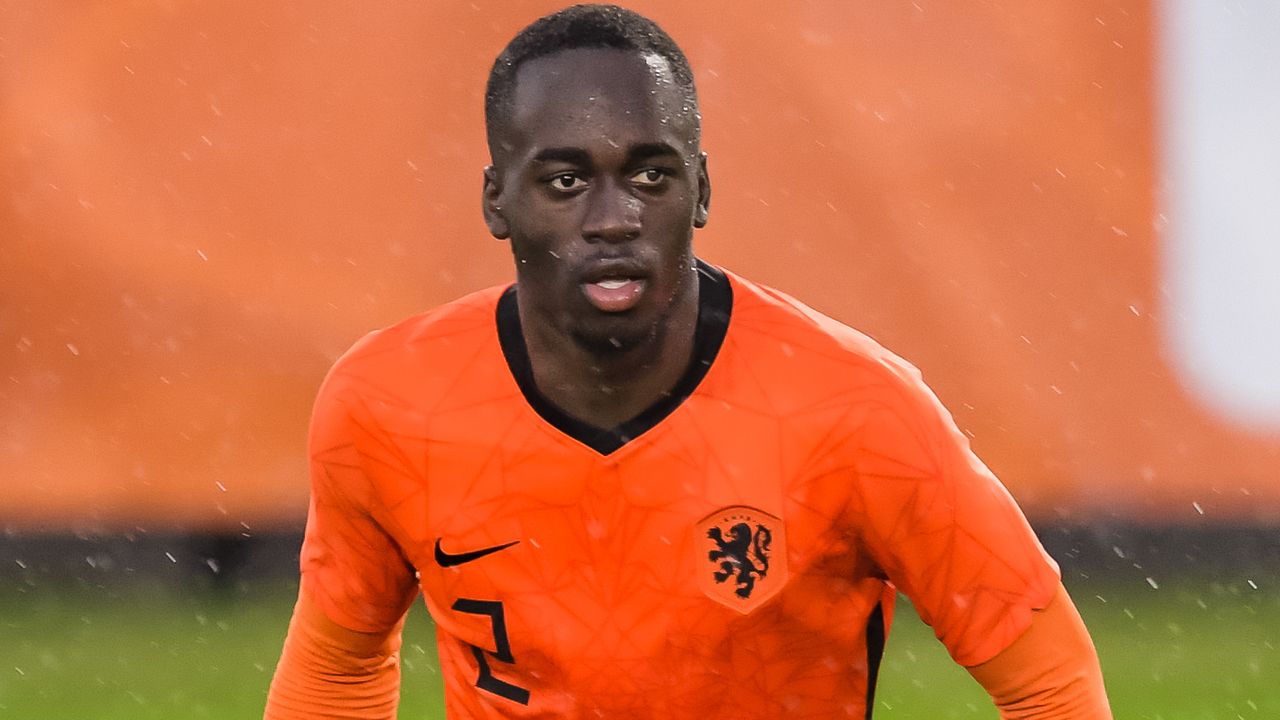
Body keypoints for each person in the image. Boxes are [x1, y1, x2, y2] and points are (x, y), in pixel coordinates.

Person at [264, 4, 1112, 718]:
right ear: (497, 201)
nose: (613, 218)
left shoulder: (859, 410)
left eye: (650, 176)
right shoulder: (385, 404)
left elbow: (1052, 684)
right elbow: (337, 671)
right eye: (566, 182)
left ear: (700, 190)